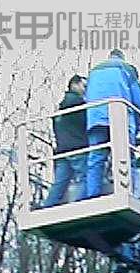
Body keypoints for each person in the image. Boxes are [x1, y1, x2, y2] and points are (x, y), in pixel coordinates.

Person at [85, 50, 140, 198]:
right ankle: (131, 192)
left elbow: (87, 96)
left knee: (96, 156)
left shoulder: (93, 72)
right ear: (122, 57)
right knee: (126, 154)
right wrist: (138, 125)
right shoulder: (127, 68)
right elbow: (138, 99)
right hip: (120, 116)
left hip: (95, 117)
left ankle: (92, 194)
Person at [44, 75, 88, 208]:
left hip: (62, 151)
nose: (85, 90)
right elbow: (86, 124)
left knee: (60, 183)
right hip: (78, 148)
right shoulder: (78, 104)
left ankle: (47, 209)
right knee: (88, 177)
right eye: (84, 86)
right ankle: (78, 206)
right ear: (75, 84)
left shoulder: (60, 109)